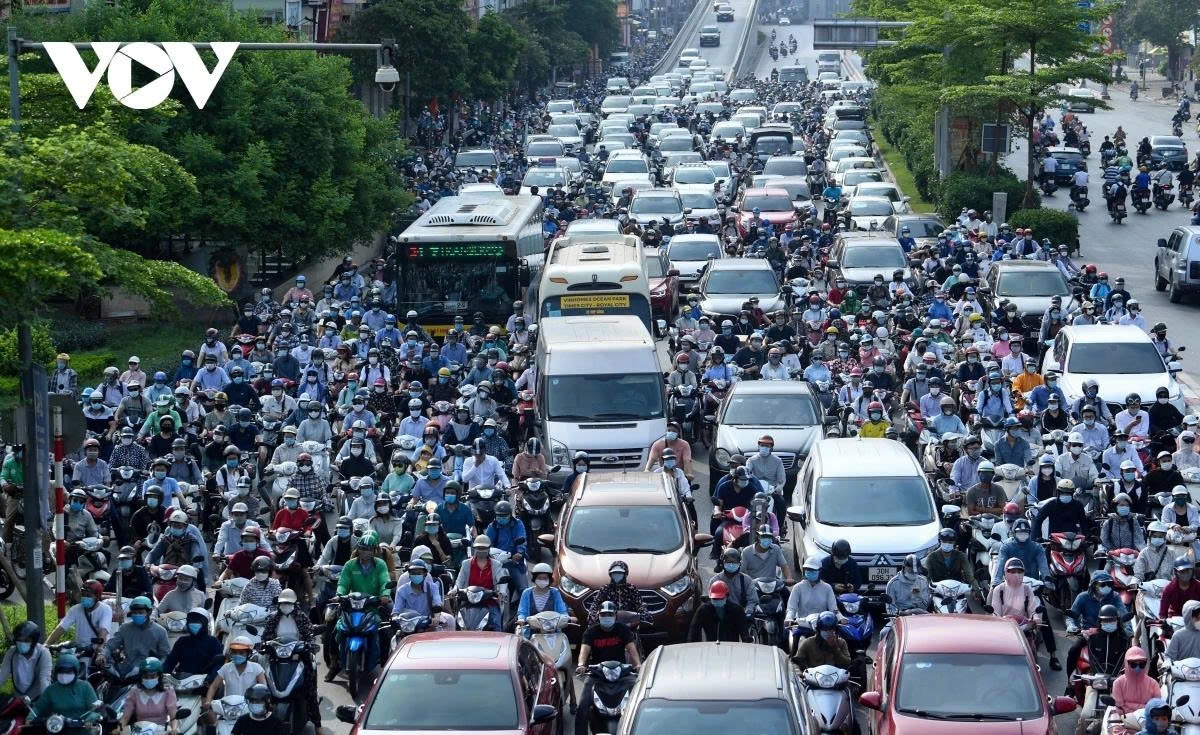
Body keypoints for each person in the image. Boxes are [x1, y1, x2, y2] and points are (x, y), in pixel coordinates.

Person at [574, 601, 640, 734]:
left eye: (610, 614)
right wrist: (581, 664)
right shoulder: (591, 632)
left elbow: (631, 649)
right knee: (582, 706)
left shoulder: (622, 629)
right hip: (597, 673)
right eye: (603, 614)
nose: (607, 617)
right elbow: (584, 651)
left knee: (638, 700)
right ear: (598, 615)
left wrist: (638, 664)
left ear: (615, 615)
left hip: (621, 672)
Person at [99, 596, 170, 675]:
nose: (137, 615)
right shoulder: (124, 628)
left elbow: (165, 656)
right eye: (134, 612)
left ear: (149, 612)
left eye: (140, 612)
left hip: (147, 672)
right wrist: (102, 655)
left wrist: (155, 667)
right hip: (126, 670)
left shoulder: (160, 631)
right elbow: (110, 645)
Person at [30, 653, 100, 728]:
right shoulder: (51, 689)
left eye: (68, 672)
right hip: (57, 728)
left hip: (82, 728)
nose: (64, 674)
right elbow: (38, 707)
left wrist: (91, 718)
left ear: (76, 672)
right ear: (56, 672)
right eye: (61, 671)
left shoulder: (85, 687)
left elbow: (96, 709)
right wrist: (30, 718)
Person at [46, 582, 111, 661]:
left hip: (97, 650)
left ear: (97, 597)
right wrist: (46, 644)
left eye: (88, 596)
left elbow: (103, 631)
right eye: (83, 595)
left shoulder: (105, 609)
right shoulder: (75, 609)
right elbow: (61, 627)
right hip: (79, 650)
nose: (84, 597)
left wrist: (100, 649)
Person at [454, 535, 506, 631]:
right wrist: (454, 590)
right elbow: (459, 581)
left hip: (489, 601)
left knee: (496, 624)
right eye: (479, 548)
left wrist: (501, 592)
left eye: (484, 548)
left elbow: (501, 581)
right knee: (457, 623)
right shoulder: (466, 563)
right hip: (469, 601)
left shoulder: (496, 565)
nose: (481, 550)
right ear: (474, 548)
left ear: (489, 548)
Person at [204, 637, 267, 713]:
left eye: (241, 653)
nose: (237, 655)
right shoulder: (226, 667)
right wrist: (208, 701)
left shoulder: (256, 667)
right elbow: (213, 686)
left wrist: (261, 702)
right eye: (235, 652)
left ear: (249, 654)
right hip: (228, 708)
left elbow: (264, 688)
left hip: (248, 708)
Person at [118, 658, 179, 735]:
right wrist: (118, 729)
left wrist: (174, 729)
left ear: (159, 676)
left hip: (161, 731)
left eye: (153, 676)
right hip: (139, 731)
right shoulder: (134, 691)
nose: (149, 679)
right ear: (141, 677)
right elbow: (125, 718)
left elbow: (173, 717)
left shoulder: (168, 691)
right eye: (145, 677)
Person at [585, 560, 652, 625]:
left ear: (625, 574)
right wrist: (592, 615)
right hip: (608, 622)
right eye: (614, 573)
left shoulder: (631, 589)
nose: (617, 575)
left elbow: (639, 605)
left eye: (620, 573)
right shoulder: (605, 589)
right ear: (610, 574)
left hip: (628, 623)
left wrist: (645, 614)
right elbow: (595, 604)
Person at [163, 608, 223, 678]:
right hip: (182, 680)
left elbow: (218, 665)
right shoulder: (182, 641)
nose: (194, 623)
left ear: (205, 623)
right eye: (191, 621)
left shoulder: (213, 642)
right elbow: (170, 662)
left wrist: (210, 678)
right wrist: (163, 675)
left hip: (203, 682)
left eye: (198, 621)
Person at [0, 621, 51, 699]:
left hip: (38, 698)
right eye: (19, 640)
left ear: (33, 642)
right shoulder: (11, 653)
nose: (22, 643)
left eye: (26, 641)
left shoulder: (43, 653)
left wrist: (46, 701)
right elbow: (2, 676)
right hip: (18, 698)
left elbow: (45, 679)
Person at [785, 558, 838, 625]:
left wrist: (840, 618)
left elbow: (833, 609)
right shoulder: (798, 587)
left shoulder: (827, 588)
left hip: (822, 625)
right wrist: (789, 618)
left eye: (813, 570)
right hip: (803, 624)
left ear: (820, 571)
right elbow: (791, 608)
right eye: (808, 570)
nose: (809, 572)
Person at [516, 563, 569, 628]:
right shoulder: (527, 593)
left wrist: (567, 618)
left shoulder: (555, 592)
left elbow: (562, 610)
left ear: (549, 579)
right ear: (534, 579)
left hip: (552, 630)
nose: (542, 580)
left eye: (545, 578)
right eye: (539, 578)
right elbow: (522, 611)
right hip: (531, 630)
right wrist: (521, 619)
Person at [1112, 646, 1159, 714]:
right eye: (1133, 664)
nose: (1137, 668)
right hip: (1124, 721)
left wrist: (1128, 704)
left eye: (1141, 664)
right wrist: (1145, 707)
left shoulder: (1153, 684)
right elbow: (1120, 708)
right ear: (1126, 663)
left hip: (1147, 720)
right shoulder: (1118, 683)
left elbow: (1156, 707)